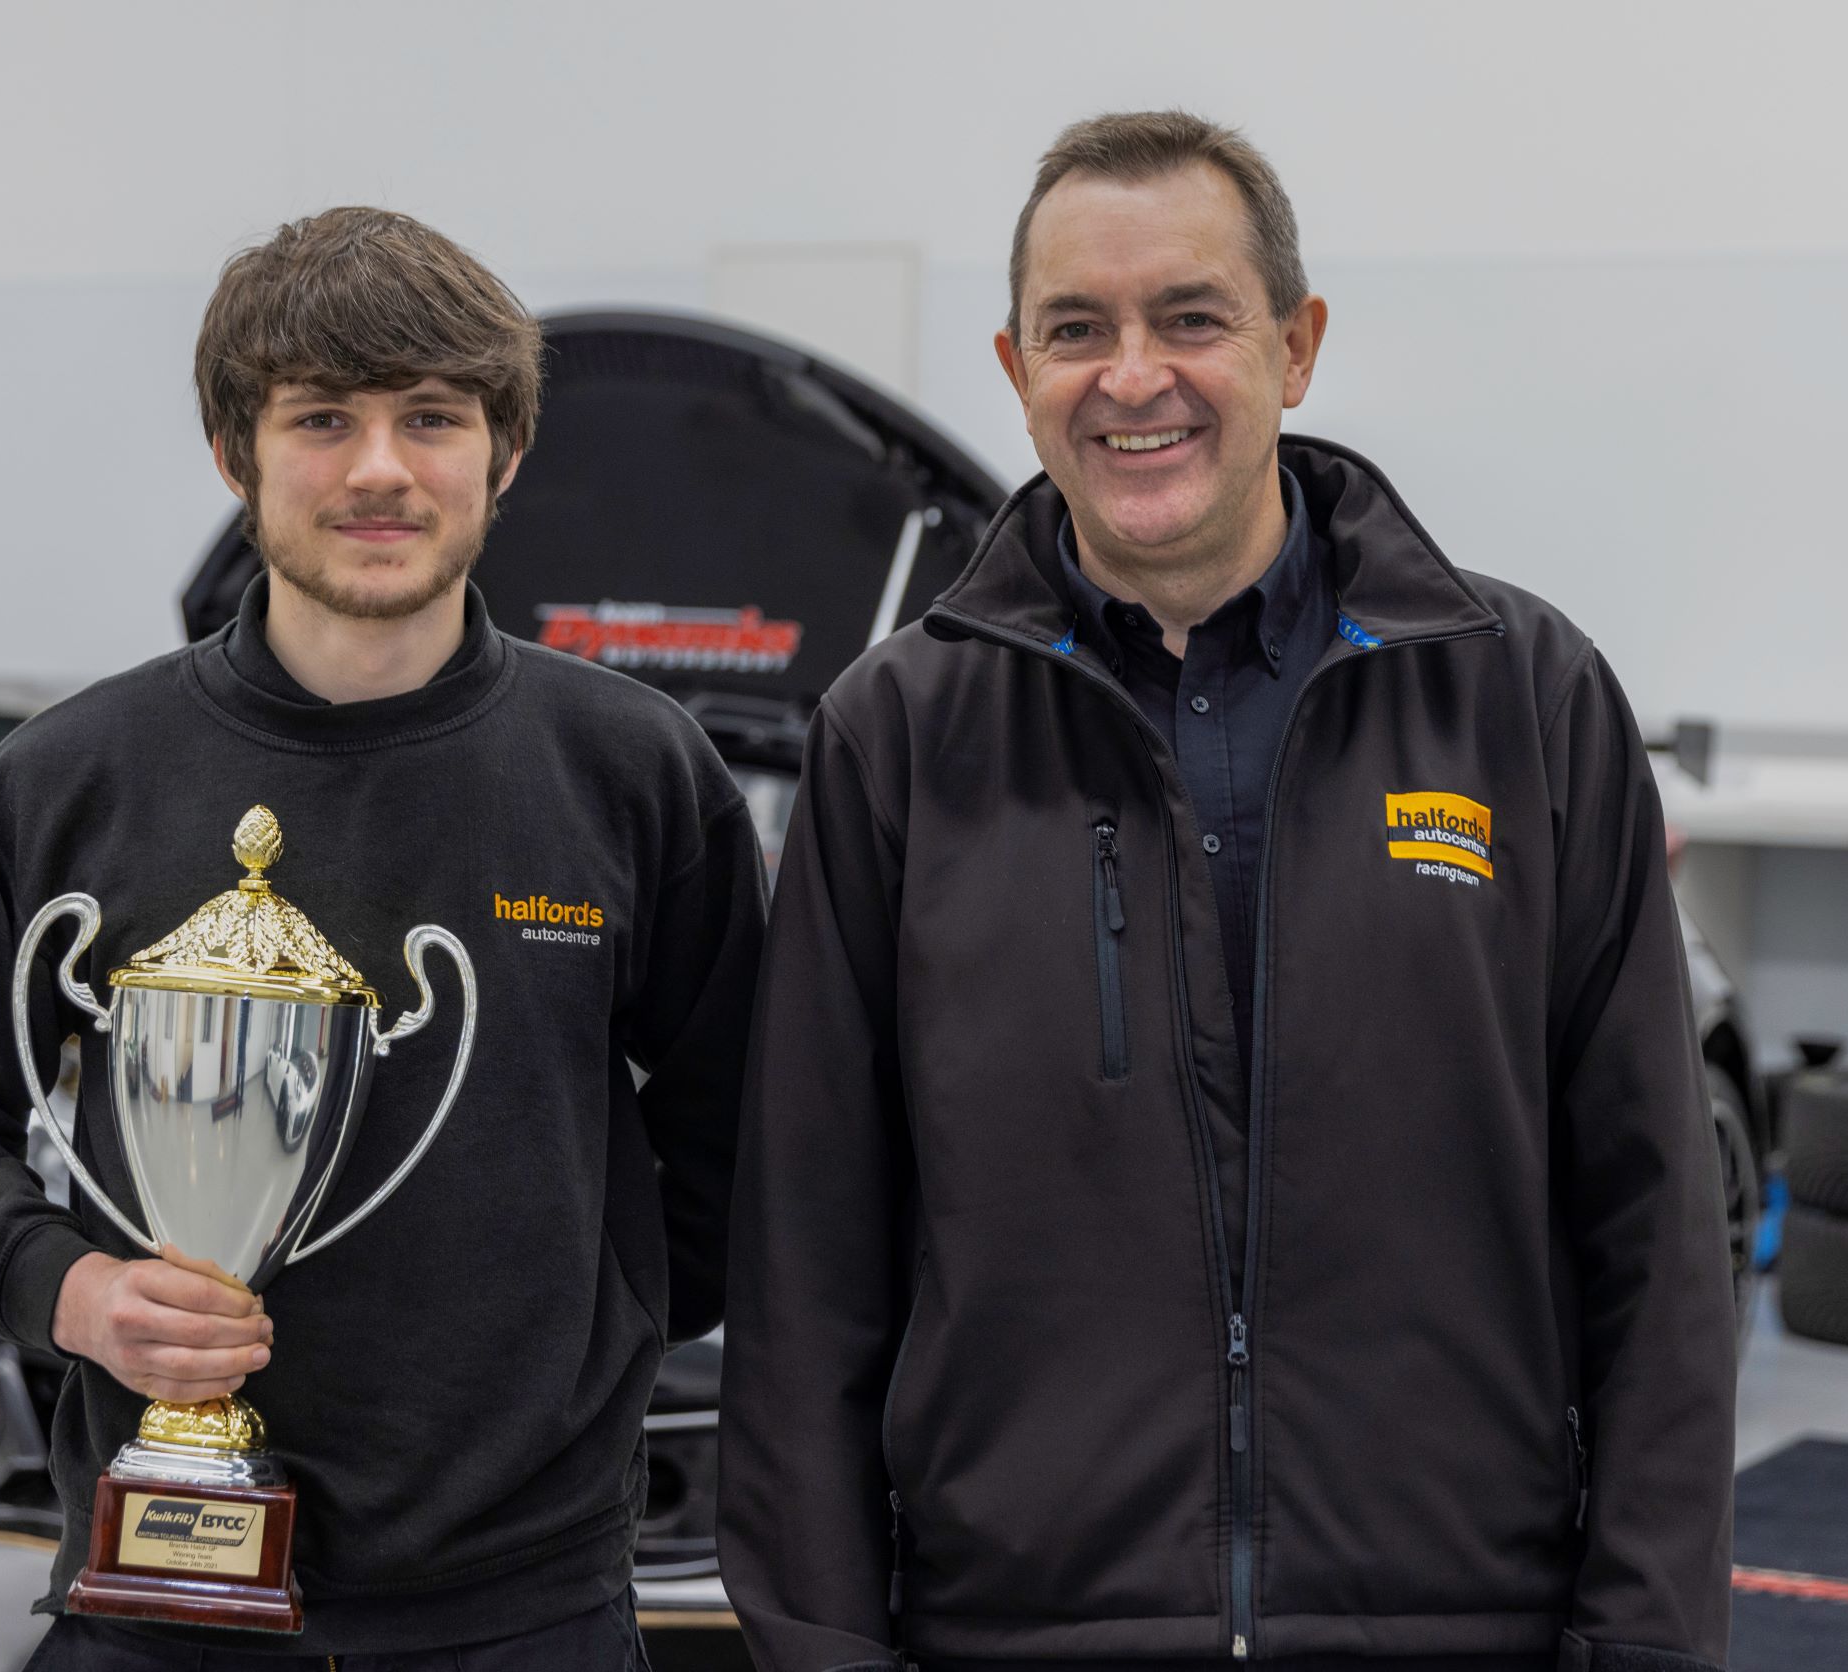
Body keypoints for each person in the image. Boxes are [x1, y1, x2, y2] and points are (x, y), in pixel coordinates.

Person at [719, 111, 1734, 1672]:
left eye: (1191, 317)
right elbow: (808, 1277)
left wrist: (1646, 1646)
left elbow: (1657, 1240)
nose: (1134, 377)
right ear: (1014, 370)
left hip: (1457, 1626)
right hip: (1021, 1632)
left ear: (1296, 344)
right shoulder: (898, 738)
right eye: (1078, 330)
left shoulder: (1521, 702)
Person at [0, 207, 764, 1670]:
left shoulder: (634, 772)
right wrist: (74, 1294)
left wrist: (589, 1332)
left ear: (504, 454)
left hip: (523, 1603)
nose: (382, 469)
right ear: (236, 458)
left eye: (433, 417)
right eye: (322, 418)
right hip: (156, 1590)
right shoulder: (70, 781)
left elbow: (743, 1147)